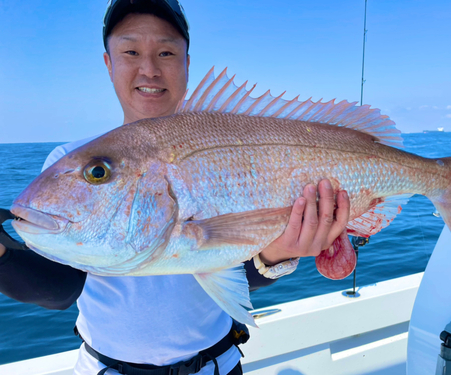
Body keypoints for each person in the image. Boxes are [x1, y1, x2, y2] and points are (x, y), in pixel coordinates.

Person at [0, 1, 350, 374]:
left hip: (217, 365)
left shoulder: (230, 132)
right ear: (108, 63)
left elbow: (230, 267)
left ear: (186, 63)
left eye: (166, 52)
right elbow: (59, 288)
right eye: (131, 51)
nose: (148, 69)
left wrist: (277, 255)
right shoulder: (67, 157)